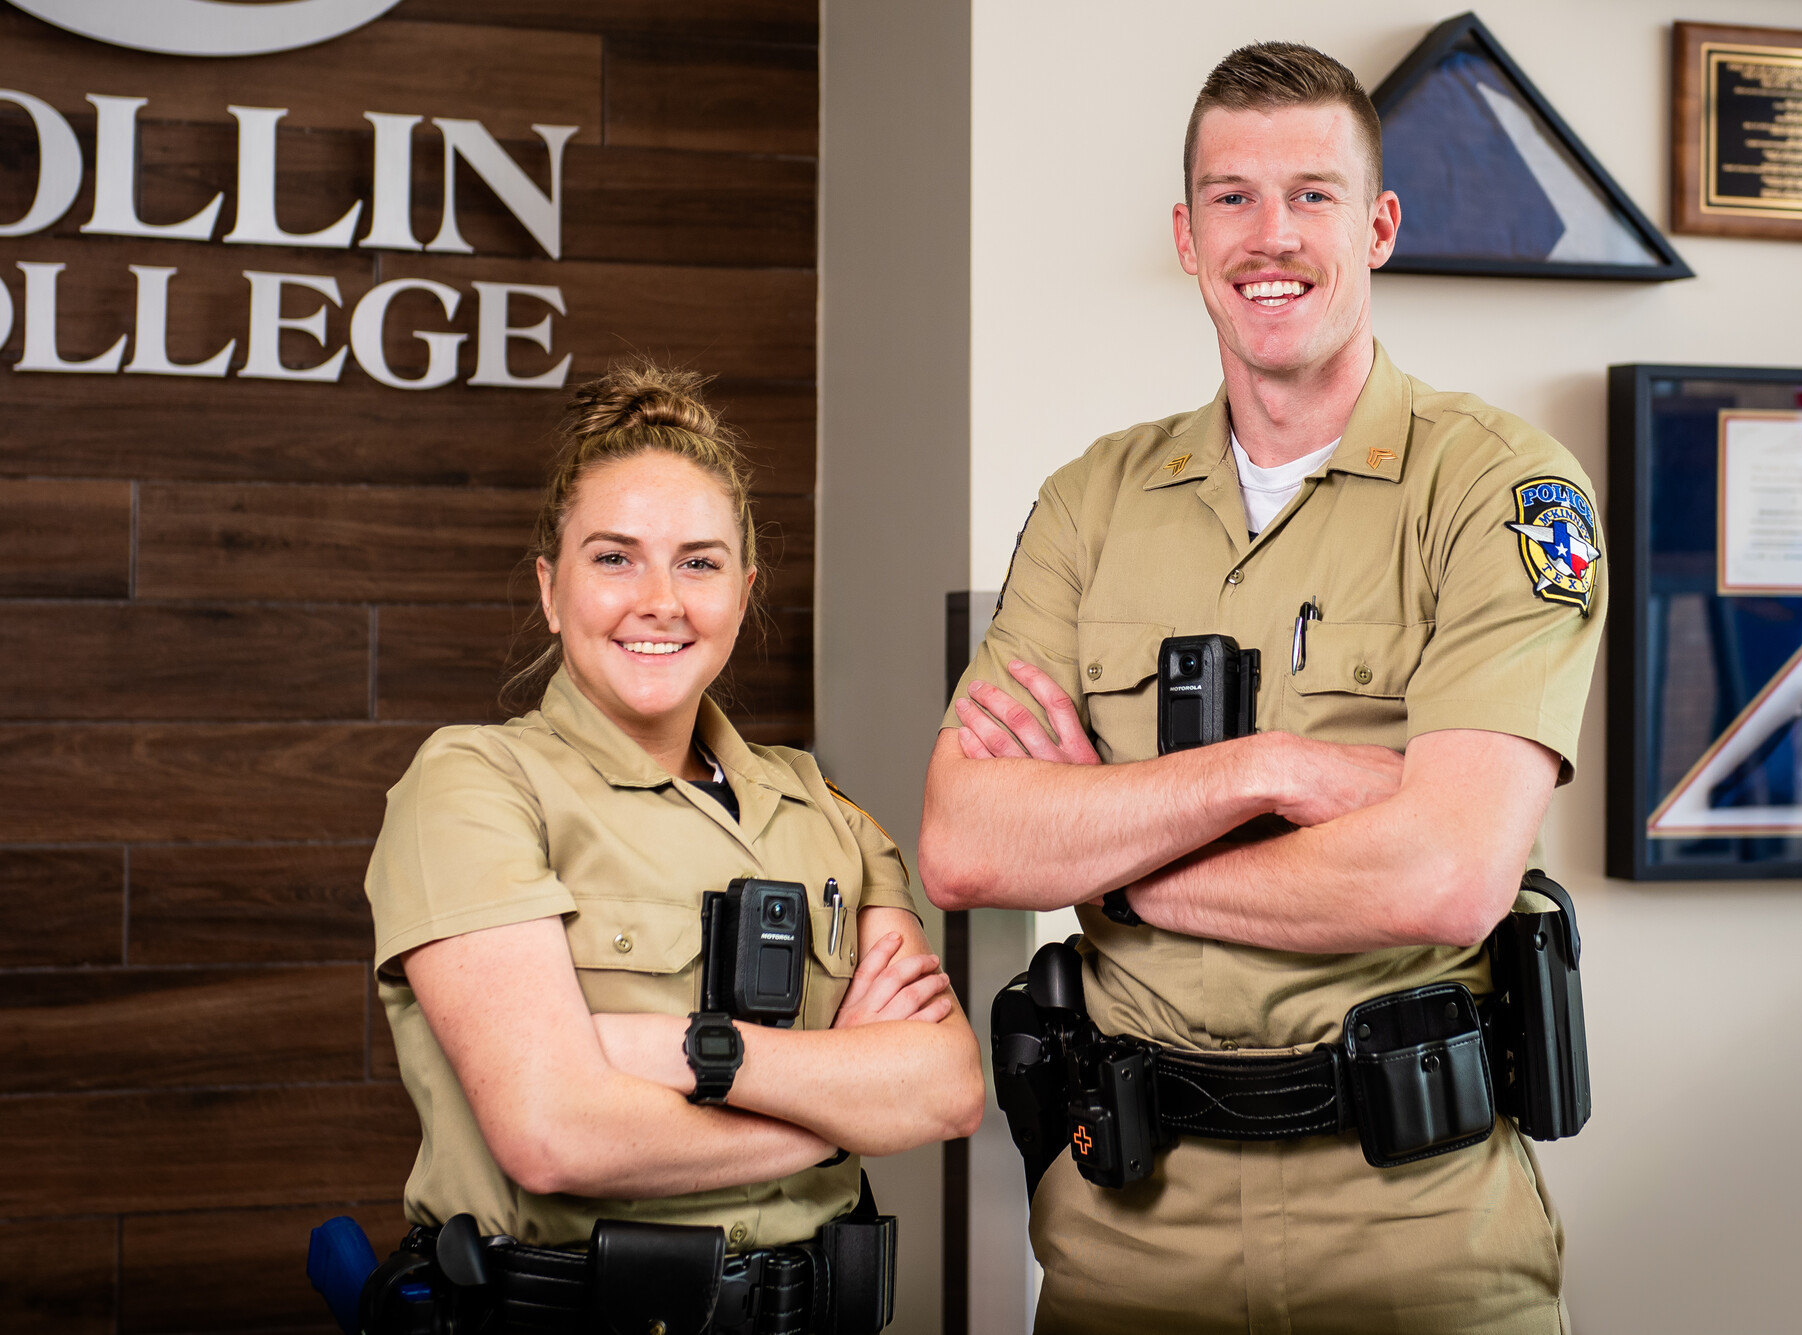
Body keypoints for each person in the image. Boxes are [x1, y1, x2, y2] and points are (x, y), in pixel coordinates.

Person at [920, 42, 1604, 1335]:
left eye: (1312, 193)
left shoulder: (1502, 492)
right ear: (1186, 235)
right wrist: (1269, 770)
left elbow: (1446, 876)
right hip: (1129, 1220)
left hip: (1409, 1221)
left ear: (1380, 225)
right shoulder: (1092, 502)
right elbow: (962, 841)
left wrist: (1108, 852)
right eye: (1232, 196)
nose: (1268, 234)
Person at [365, 361, 984, 1327]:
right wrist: (837, 1110)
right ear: (550, 585)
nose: (660, 599)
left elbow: (943, 1088)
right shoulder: (474, 786)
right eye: (615, 558)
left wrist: (687, 1056)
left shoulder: (825, 808)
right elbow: (552, 1134)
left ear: (742, 590)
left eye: (698, 562)